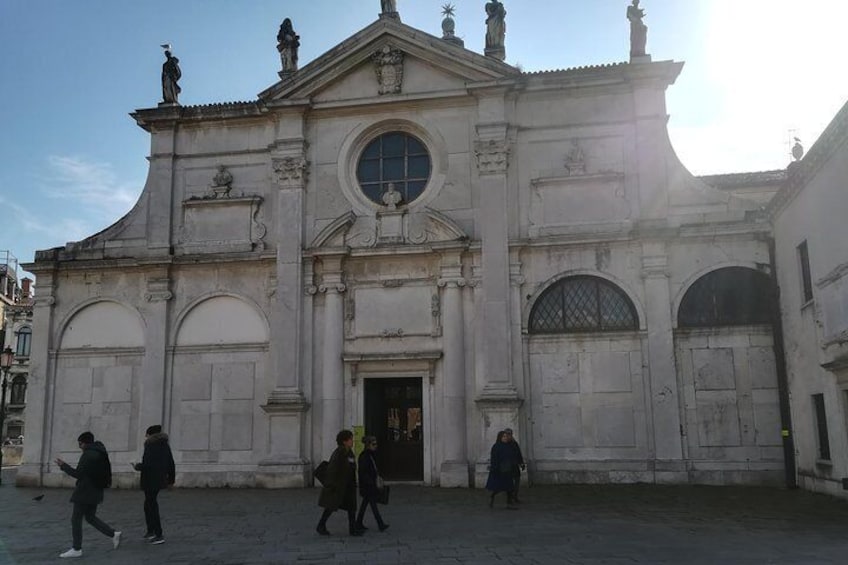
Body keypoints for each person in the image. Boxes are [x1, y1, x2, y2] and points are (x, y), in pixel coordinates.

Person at [55, 431, 121, 558]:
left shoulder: (88, 455)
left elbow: (78, 474)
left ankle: (76, 548)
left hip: (85, 491)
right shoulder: (100, 452)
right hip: (96, 490)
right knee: (90, 517)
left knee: (76, 519)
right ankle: (113, 534)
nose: (79, 447)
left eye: (80, 444)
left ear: (85, 443)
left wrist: (63, 466)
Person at [133, 425, 176, 545]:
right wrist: (171, 480)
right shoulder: (164, 444)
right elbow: (171, 463)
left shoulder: (150, 445)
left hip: (150, 479)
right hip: (160, 479)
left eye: (146, 434)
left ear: (150, 434)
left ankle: (158, 533)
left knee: (151, 505)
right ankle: (151, 530)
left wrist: (137, 466)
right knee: (149, 503)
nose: (145, 436)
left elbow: (148, 464)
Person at [316, 429, 363, 536]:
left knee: (351, 508)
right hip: (338, 486)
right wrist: (331, 484)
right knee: (331, 506)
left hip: (349, 485)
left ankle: (353, 529)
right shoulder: (339, 453)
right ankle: (321, 525)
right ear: (344, 441)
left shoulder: (349, 453)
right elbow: (332, 470)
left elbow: (351, 467)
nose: (352, 441)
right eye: (350, 439)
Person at [354, 436, 390, 532]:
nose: (376, 446)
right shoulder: (364, 456)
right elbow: (363, 472)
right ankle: (380, 524)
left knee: (365, 504)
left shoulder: (371, 455)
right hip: (368, 485)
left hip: (369, 485)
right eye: (373, 444)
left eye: (376, 444)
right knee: (373, 506)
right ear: (368, 445)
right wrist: (370, 482)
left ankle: (358, 522)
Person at [485, 430, 518, 509]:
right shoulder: (496, 446)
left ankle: (509, 504)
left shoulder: (509, 446)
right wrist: (495, 468)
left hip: (508, 469)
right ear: (500, 437)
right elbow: (494, 458)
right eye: (504, 436)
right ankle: (492, 497)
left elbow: (512, 457)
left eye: (506, 436)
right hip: (500, 469)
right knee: (499, 487)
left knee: (510, 488)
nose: (505, 438)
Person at [503, 428, 525, 503]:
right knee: (508, 483)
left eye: (510, 434)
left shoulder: (514, 443)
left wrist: (521, 463)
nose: (508, 436)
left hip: (515, 466)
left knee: (517, 482)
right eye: (507, 434)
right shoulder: (502, 445)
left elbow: (518, 454)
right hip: (507, 467)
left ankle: (515, 496)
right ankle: (509, 498)